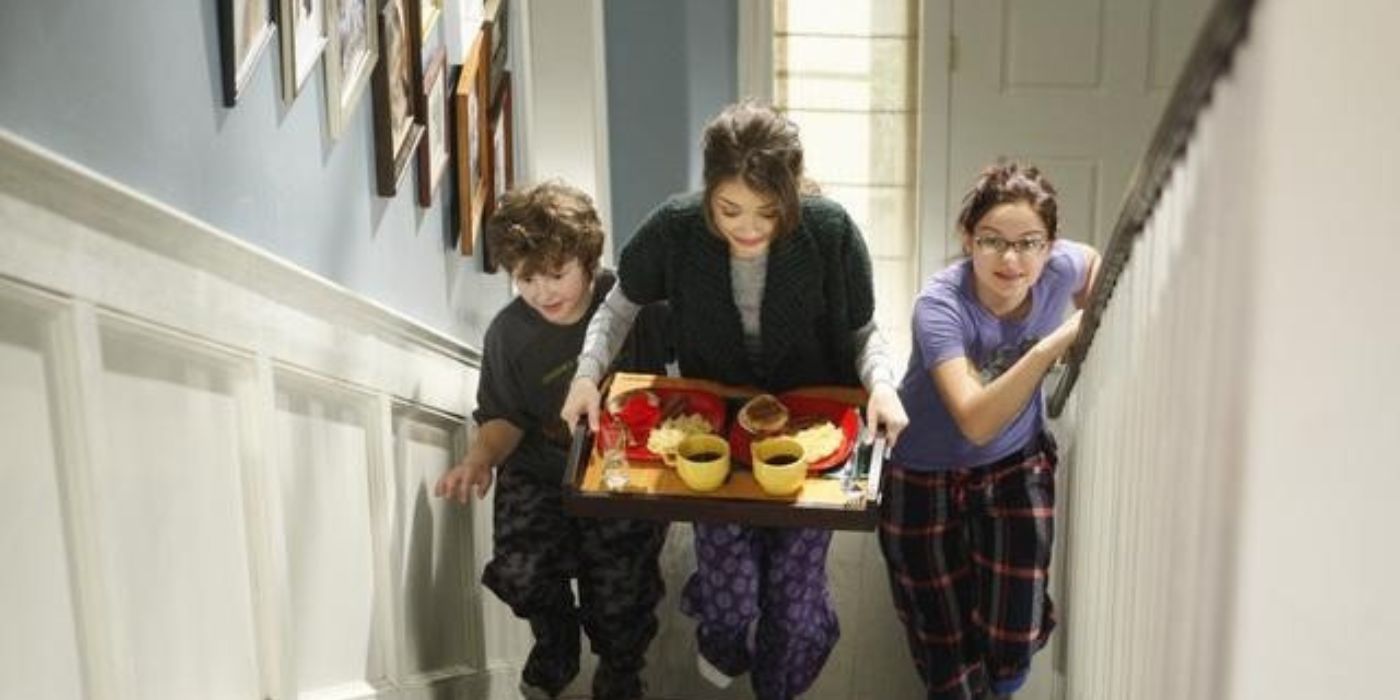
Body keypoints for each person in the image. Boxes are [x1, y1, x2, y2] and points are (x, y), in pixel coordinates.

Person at [560, 101, 909, 700]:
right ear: (707, 191)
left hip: (808, 435)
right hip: (710, 432)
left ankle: (781, 681)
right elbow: (620, 304)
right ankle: (722, 636)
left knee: (794, 611)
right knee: (730, 595)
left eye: (768, 213)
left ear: (792, 194)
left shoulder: (830, 232)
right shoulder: (675, 228)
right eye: (729, 210)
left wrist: (882, 385)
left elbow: (862, 331)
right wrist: (587, 374)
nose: (748, 228)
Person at [434, 181, 670, 700]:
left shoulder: (632, 305)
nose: (544, 291)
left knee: (620, 597)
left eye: (557, 273)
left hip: (623, 477)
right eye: (526, 278)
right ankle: (556, 639)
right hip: (539, 470)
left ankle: (619, 668)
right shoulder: (507, 335)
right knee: (520, 572)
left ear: (588, 259)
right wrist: (479, 458)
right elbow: (502, 418)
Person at [879, 163, 1101, 700]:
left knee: (1014, 638)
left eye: (1029, 243)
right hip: (924, 477)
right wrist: (1051, 346)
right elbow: (975, 420)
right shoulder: (940, 305)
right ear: (966, 239)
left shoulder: (1059, 267)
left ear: (1050, 245)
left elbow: (1097, 263)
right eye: (992, 241)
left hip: (1014, 467)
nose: (1011, 259)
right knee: (946, 653)